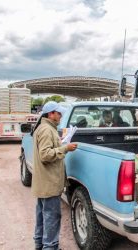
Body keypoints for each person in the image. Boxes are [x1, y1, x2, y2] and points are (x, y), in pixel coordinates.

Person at [31, 101, 77, 250]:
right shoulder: (46, 130)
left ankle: (40, 244)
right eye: (58, 113)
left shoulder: (44, 128)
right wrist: (65, 148)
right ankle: (50, 247)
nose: (60, 115)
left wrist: (61, 144)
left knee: (42, 216)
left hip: (44, 183)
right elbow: (45, 155)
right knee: (51, 217)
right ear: (51, 114)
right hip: (49, 183)